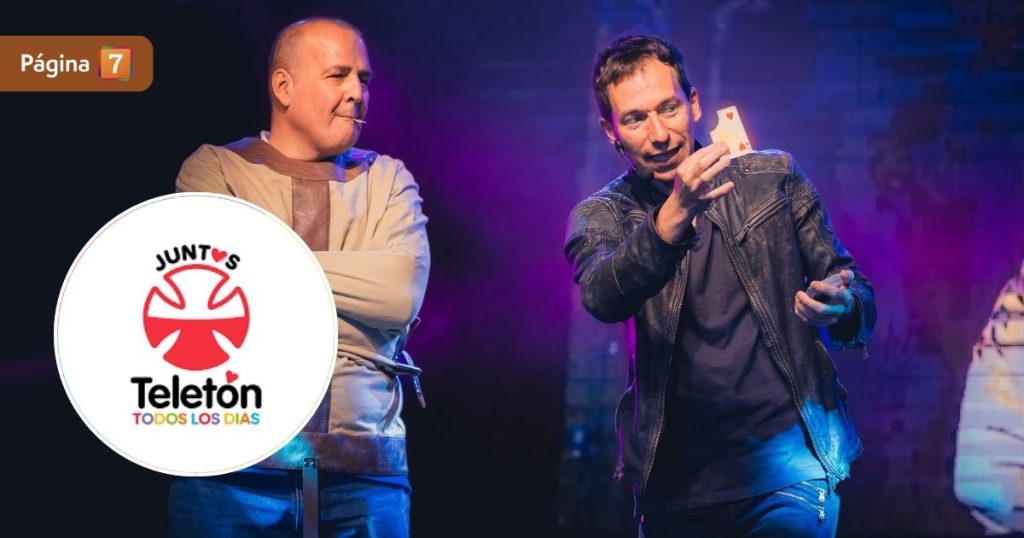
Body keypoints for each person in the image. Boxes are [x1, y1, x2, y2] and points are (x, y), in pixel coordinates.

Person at [564, 33, 875, 538]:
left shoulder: (773, 176)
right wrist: (675, 213)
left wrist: (843, 307)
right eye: (635, 119)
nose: (659, 134)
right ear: (610, 131)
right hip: (676, 487)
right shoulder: (603, 215)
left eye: (668, 108)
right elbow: (602, 295)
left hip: (788, 467)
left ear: (693, 103)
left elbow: (855, 289)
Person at [169, 17, 429, 537]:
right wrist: (356, 323)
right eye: (338, 75)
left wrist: (259, 264)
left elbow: (399, 296)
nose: (357, 92)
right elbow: (206, 301)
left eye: (364, 79)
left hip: (365, 471)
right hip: (229, 468)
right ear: (283, 87)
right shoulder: (214, 170)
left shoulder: (387, 178)